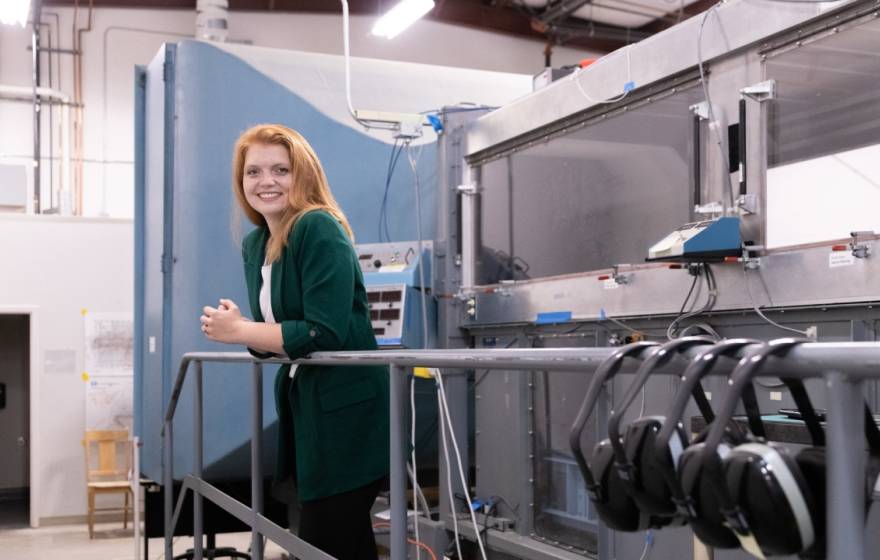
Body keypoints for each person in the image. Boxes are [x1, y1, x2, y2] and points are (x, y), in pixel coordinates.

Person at [200, 123, 389, 560]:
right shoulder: (257, 243)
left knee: (330, 540)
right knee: (331, 541)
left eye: (280, 170)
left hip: (347, 415)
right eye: (253, 172)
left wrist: (241, 330)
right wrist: (242, 327)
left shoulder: (317, 227)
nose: (266, 181)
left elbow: (322, 332)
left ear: (303, 175)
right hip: (304, 409)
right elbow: (278, 336)